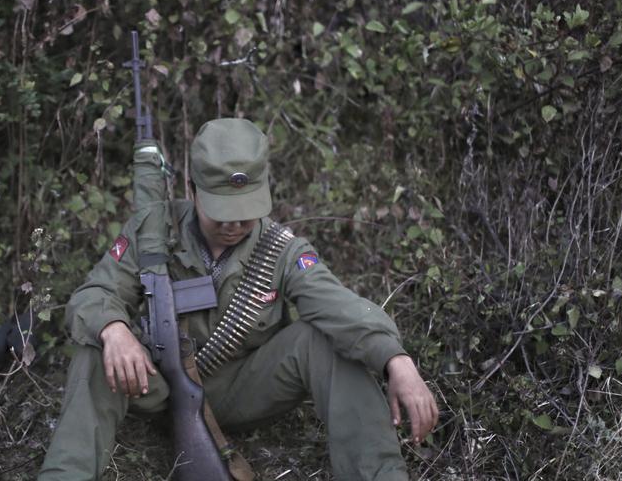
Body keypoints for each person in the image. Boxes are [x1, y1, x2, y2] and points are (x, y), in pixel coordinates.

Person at [39, 118, 438, 481]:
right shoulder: (152, 231)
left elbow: (337, 305)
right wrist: (114, 329)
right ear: (192, 191)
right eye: (220, 211)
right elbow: (95, 294)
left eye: (244, 212)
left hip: (245, 388)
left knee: (325, 339)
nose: (233, 225)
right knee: (95, 349)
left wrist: (395, 360)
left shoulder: (281, 249)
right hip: (156, 388)